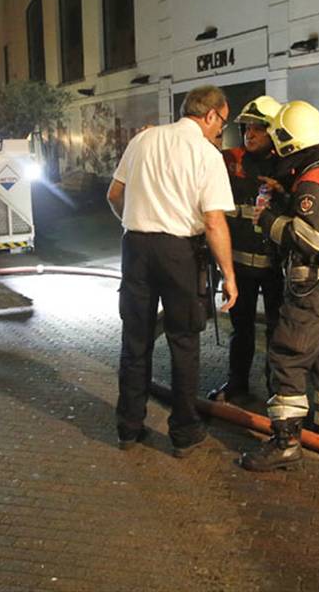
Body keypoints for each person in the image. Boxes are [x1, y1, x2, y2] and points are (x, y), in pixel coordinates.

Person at [106, 85, 240, 458]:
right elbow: (214, 221)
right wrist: (229, 275)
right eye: (222, 122)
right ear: (210, 115)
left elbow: (114, 195)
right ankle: (183, 432)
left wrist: (134, 225)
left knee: (135, 341)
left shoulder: (142, 141)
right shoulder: (206, 154)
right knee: (184, 341)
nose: (220, 130)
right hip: (180, 253)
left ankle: (128, 427)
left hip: (135, 248)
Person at [240, 100, 319, 470]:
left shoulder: (314, 180)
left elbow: (312, 240)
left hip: (314, 284)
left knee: (288, 354)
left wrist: (270, 218)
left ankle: (285, 442)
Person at [208, 96, 284, 404]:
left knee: (279, 332)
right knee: (241, 330)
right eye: (246, 129)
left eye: (258, 129)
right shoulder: (231, 162)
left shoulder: (287, 167)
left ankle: (278, 392)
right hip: (239, 266)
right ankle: (237, 384)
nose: (249, 135)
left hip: (276, 267)